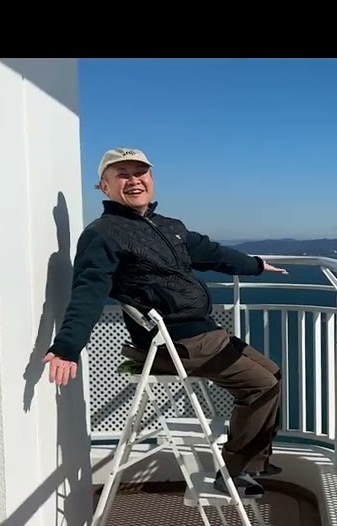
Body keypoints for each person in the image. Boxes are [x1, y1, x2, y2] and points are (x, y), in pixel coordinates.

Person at [43, 147, 287, 497]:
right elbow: (90, 290)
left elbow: (213, 253)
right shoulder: (103, 234)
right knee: (261, 385)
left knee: (273, 373)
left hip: (202, 335)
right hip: (171, 343)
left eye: (140, 172)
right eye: (122, 174)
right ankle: (235, 472)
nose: (133, 180)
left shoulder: (168, 228)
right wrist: (67, 345)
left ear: (152, 180)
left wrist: (255, 265)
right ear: (104, 187)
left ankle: (251, 462)